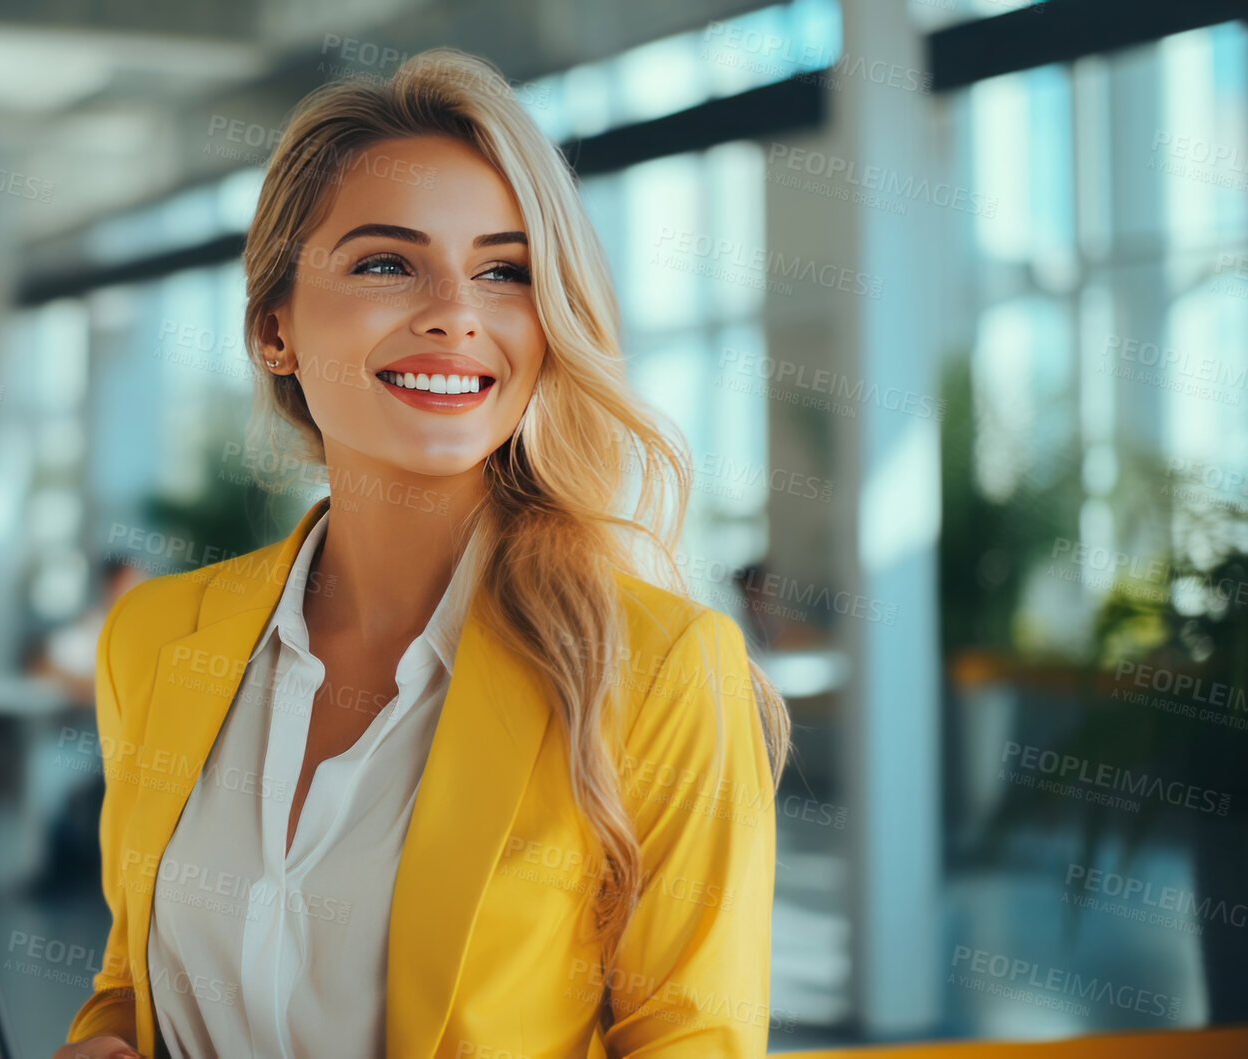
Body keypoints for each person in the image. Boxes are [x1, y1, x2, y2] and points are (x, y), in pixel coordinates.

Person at [58, 48, 791, 1059]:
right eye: (384, 262)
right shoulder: (152, 639)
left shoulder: (657, 669)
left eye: (503, 271)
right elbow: (128, 976)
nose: (454, 310)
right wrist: (101, 1038)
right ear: (275, 328)